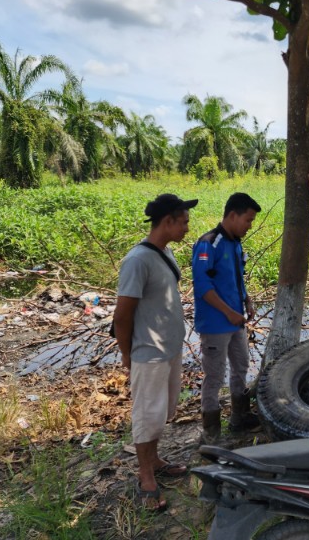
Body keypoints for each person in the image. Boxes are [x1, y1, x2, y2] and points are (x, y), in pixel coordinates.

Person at [113, 193, 198, 512]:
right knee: (147, 416)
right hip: (148, 352)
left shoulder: (167, 252)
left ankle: (157, 459)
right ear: (168, 222)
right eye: (184, 222)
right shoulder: (137, 260)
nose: (188, 227)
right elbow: (122, 315)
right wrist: (127, 354)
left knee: (162, 412)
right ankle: (146, 476)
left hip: (169, 349)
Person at [192, 192, 262, 444]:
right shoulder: (209, 243)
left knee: (241, 366)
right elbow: (202, 286)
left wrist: (247, 301)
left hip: (236, 322)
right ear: (233, 215)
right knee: (214, 377)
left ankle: (239, 417)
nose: (250, 225)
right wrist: (229, 312)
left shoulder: (236, 243)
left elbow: (237, 278)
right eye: (248, 220)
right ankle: (211, 432)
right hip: (215, 324)